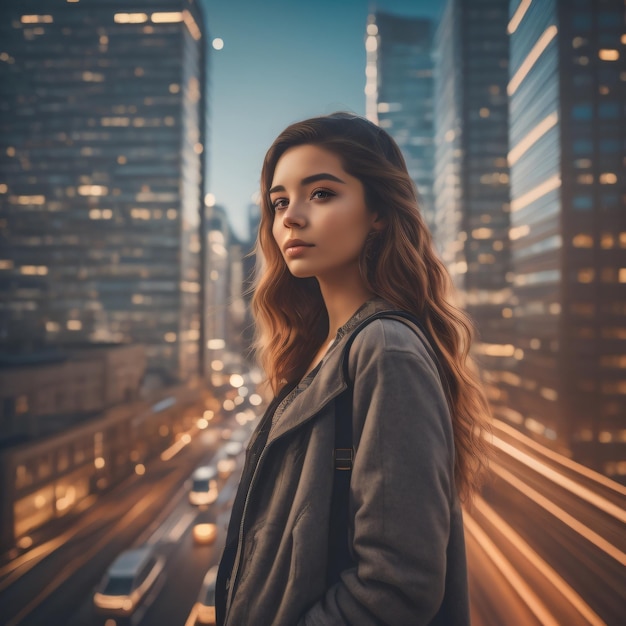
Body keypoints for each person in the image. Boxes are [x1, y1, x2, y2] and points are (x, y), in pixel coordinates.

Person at [215, 112, 491, 625]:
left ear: (379, 211)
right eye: (279, 202)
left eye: (321, 193)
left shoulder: (385, 349)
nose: (291, 218)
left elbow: (396, 586)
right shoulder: (320, 349)